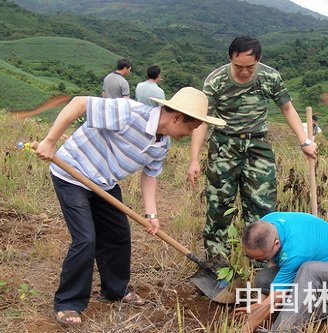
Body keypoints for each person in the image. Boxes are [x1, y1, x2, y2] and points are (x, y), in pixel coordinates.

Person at [35, 87, 226, 326]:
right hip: (72, 174)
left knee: (119, 234)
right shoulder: (130, 113)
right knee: (85, 239)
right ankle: (68, 303)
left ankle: (115, 290)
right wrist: (50, 141)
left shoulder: (162, 144)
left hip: (104, 182)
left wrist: (151, 214)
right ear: (177, 117)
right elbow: (79, 103)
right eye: (191, 128)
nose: (190, 133)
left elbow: (149, 175)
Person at [187, 36, 317, 259]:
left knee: (262, 207)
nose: (244, 72)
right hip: (224, 146)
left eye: (250, 67)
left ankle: (261, 260)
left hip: (258, 146)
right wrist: (194, 159)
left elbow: (287, 108)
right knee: (219, 205)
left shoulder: (269, 76)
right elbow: (202, 120)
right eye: (238, 66)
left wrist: (304, 141)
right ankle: (217, 261)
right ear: (230, 59)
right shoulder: (216, 80)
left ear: (258, 60)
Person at [236, 212, 328, 332]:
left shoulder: (296, 250)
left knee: (309, 269)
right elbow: (273, 269)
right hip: (315, 272)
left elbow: (274, 299)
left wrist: (245, 329)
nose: (257, 261)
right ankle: (320, 310)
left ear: (276, 244)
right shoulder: (266, 224)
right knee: (264, 278)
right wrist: (260, 305)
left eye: (261, 258)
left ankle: (283, 330)